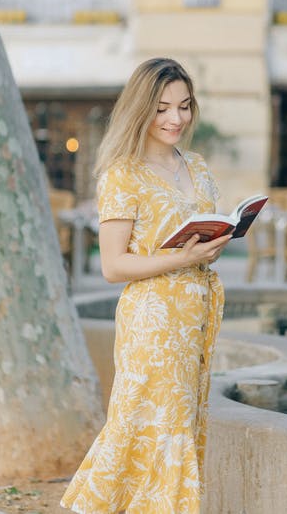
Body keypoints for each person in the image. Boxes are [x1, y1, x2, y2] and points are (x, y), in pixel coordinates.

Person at [60, 57, 232, 514]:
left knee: (180, 427)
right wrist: (183, 257)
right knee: (145, 426)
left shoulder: (197, 165)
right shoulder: (123, 174)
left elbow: (196, 235)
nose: (175, 118)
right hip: (152, 324)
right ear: (141, 109)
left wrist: (214, 243)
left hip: (195, 320)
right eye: (162, 108)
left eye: (184, 106)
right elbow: (113, 266)